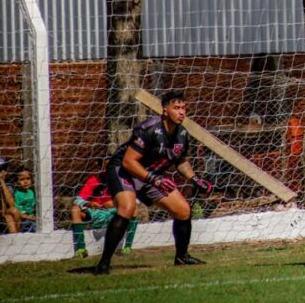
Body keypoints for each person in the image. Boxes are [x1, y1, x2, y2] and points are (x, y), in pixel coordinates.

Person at [95, 90, 212, 275]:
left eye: (183, 108)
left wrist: (195, 179)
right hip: (123, 170)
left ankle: (182, 257)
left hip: (151, 177)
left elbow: (180, 161)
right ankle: (104, 263)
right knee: (127, 208)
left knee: (183, 210)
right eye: (176, 108)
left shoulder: (182, 134)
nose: (181, 112)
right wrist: (153, 179)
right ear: (165, 110)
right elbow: (129, 161)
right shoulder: (148, 129)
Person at [72, 159, 138, 258]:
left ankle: (127, 248)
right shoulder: (94, 180)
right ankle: (81, 249)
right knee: (75, 210)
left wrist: (116, 202)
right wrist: (89, 204)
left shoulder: (120, 180)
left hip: (114, 214)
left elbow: (133, 198)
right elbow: (78, 199)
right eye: (106, 167)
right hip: (96, 214)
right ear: (101, 168)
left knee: (134, 208)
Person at [0, 167, 37, 233]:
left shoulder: (32, 192)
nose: (25, 181)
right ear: (17, 182)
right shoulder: (17, 194)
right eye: (22, 179)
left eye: (28, 178)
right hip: (23, 221)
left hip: (33, 219)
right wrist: (30, 218)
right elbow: (18, 213)